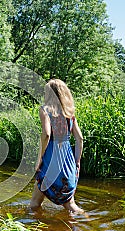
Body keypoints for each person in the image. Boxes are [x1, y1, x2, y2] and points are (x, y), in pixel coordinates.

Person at [30, 79, 84, 214]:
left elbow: (47, 134)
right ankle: (88, 221)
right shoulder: (70, 112)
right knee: (71, 205)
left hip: (50, 160)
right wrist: (77, 161)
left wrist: (40, 158)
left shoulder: (45, 110)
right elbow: (80, 139)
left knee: (34, 204)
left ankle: (29, 228)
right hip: (67, 160)